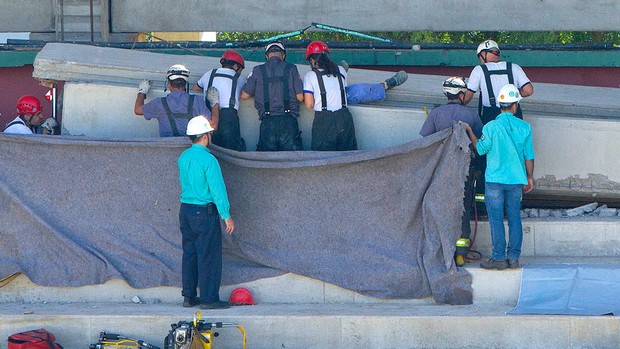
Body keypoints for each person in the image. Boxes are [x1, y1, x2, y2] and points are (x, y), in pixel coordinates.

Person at [461, 84, 535, 270]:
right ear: (515, 104)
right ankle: (514, 258)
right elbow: (529, 156)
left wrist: (470, 132)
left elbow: (481, 149)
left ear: (500, 105)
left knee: (496, 220)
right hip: (516, 181)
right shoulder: (525, 127)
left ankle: (498, 259)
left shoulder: (490, 127)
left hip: (494, 181)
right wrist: (530, 177)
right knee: (514, 218)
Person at [419, 77, 483, 266]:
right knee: (462, 208)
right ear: (462, 94)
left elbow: (426, 142)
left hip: (440, 170)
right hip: (464, 170)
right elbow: (480, 142)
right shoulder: (471, 115)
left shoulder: (435, 114)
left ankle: (440, 251)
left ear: (447, 94)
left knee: (440, 208)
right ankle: (460, 253)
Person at [177, 115, 235, 309]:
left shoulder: (183, 157)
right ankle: (209, 299)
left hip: (185, 210)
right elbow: (217, 190)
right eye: (209, 134)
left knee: (190, 254)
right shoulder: (209, 160)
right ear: (204, 137)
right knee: (208, 255)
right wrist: (226, 215)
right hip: (204, 212)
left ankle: (189, 296)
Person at [240, 41, 304, 151]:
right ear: (283, 55)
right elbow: (300, 97)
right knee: (292, 162)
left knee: (266, 163)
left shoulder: (257, 70)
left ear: (267, 56)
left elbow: (244, 95)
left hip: (267, 122)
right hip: (288, 122)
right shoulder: (292, 68)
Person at [134, 64, 219, 137]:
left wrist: (142, 92)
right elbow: (213, 125)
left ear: (169, 84)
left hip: (167, 148)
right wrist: (215, 104)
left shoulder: (159, 103)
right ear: (185, 84)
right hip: (189, 148)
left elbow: (138, 110)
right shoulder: (197, 101)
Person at [463, 39, 534, 125]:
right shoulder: (514, 67)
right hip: (514, 113)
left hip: (491, 116)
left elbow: (467, 97)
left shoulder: (479, 70)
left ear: (483, 54)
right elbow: (528, 90)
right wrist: (511, 93)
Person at [303, 41, 357, 151]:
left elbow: (309, 104)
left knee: (323, 160)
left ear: (312, 61)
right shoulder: (341, 70)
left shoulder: (310, 76)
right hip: (344, 119)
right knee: (348, 157)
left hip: (324, 121)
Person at [194, 50, 247, 151]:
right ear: (236, 66)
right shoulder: (240, 79)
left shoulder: (209, 74)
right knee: (231, 153)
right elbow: (247, 94)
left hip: (207, 116)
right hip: (229, 119)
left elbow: (195, 89)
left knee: (210, 150)